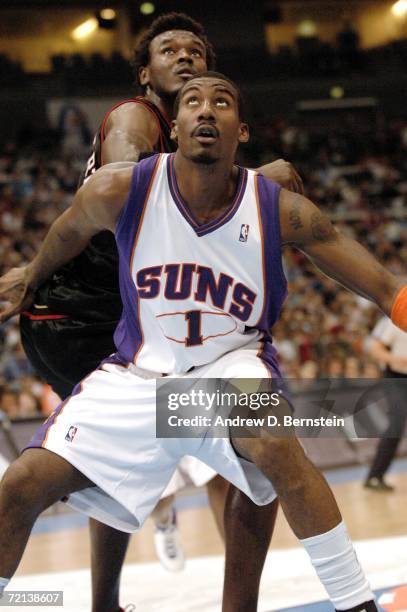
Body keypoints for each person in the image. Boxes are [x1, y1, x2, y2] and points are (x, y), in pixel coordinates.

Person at [1, 71, 403, 611]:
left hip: (228, 365)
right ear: (176, 126)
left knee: (277, 444)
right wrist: (29, 273)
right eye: (192, 102)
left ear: (242, 132)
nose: (206, 110)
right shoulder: (122, 189)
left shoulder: (276, 207)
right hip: (139, 375)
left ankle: (358, 604)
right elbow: (68, 233)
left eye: (221, 102)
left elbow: (382, 285)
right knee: (21, 483)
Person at [16, 12, 303, 611]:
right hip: (80, 314)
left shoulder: (191, 142)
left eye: (196, 50)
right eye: (169, 50)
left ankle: (126, 586)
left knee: (228, 446)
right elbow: (130, 185)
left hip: (125, 311)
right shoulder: (133, 117)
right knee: (184, 450)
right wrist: (259, 181)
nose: (185, 57)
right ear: (145, 74)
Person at [364, 316, 407, 491]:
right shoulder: (395, 321)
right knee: (397, 422)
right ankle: (375, 476)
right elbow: (375, 348)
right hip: (396, 377)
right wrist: (396, 359)